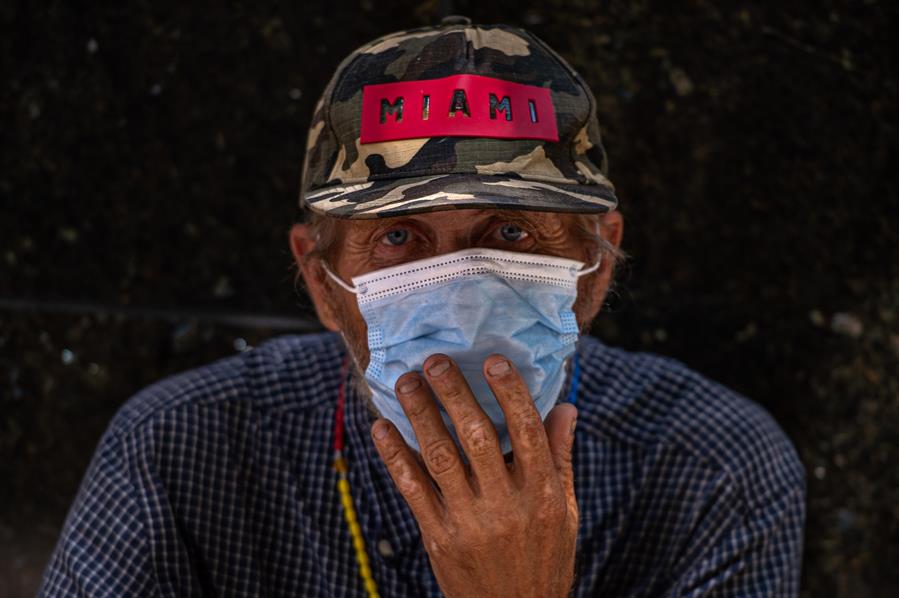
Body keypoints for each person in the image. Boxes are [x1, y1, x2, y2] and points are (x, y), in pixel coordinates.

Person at [40, 16, 805, 597]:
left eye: (510, 231)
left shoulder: (713, 471)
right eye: (399, 237)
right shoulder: (177, 453)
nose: (461, 291)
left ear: (595, 265)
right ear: (320, 280)